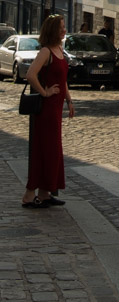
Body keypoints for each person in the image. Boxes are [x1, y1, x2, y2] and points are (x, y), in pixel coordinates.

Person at [21, 14, 74, 209]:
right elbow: (30, 74)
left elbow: (62, 79)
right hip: (46, 111)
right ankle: (29, 195)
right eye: (61, 28)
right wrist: (45, 92)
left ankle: (44, 193)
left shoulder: (59, 49)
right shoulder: (45, 52)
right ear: (53, 30)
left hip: (57, 109)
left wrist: (68, 99)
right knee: (44, 150)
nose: (64, 30)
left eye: (64, 27)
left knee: (52, 151)